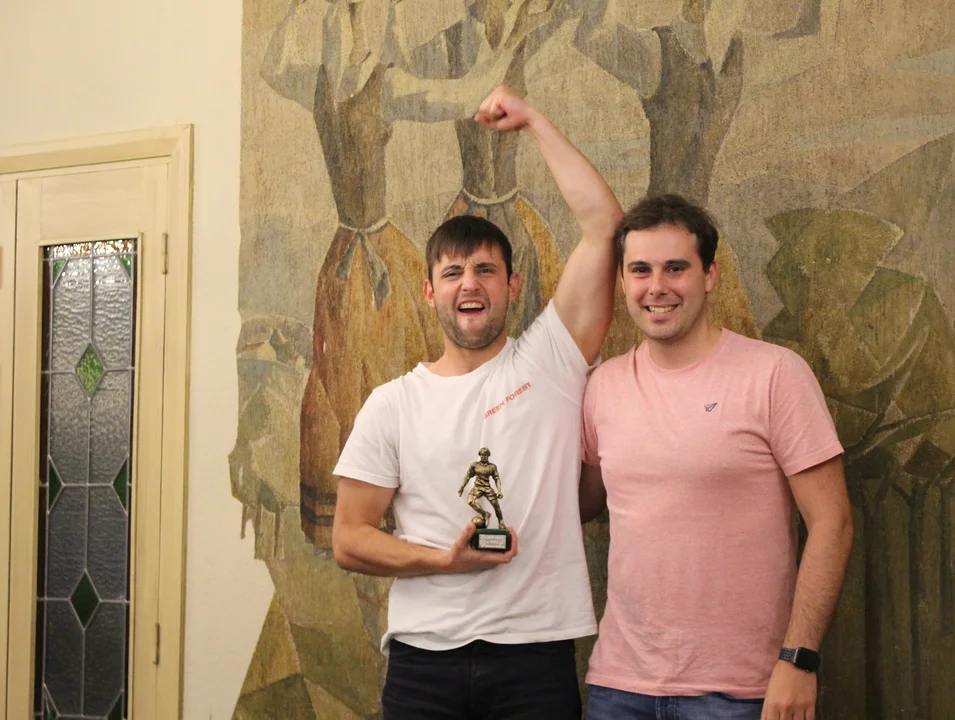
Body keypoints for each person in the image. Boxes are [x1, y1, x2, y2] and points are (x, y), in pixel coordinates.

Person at [331, 85, 623, 720]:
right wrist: (444, 560)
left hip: (535, 658)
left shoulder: (551, 360)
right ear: (429, 291)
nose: (470, 284)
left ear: (512, 285)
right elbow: (349, 539)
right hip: (423, 663)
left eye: (486, 270)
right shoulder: (391, 404)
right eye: (453, 273)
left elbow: (605, 226)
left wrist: (534, 121)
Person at [579, 195, 854, 720]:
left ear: (710, 275)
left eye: (675, 268)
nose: (656, 287)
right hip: (619, 688)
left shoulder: (774, 374)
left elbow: (833, 523)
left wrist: (799, 659)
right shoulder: (603, 386)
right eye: (640, 270)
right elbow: (583, 503)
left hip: (741, 693)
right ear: (622, 280)